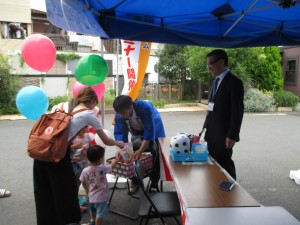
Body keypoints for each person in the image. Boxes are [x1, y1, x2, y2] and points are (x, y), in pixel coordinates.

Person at [33, 87, 124, 225]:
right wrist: (119, 144)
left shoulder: (65, 106)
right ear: (93, 100)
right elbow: (105, 140)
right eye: (96, 103)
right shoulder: (88, 114)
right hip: (57, 157)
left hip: (42, 152)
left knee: (45, 194)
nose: (96, 106)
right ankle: (69, 221)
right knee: (66, 193)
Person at [201, 49, 244, 180]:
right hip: (212, 133)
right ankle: (217, 191)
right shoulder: (215, 82)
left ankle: (232, 190)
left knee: (225, 163)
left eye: (211, 63)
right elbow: (211, 108)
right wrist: (204, 128)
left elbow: (237, 111)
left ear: (221, 62)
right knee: (214, 162)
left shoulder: (234, 82)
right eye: (207, 64)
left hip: (224, 135)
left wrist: (232, 135)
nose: (209, 67)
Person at [113, 95, 166, 193]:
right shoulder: (120, 114)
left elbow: (150, 130)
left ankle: (154, 181)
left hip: (154, 126)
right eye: (119, 113)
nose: (121, 115)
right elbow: (120, 133)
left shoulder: (144, 107)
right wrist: (121, 150)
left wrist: (141, 150)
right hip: (136, 129)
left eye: (123, 113)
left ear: (130, 107)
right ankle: (135, 181)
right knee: (130, 155)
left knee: (156, 153)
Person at [80, 145, 119, 225]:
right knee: (100, 214)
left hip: (91, 196)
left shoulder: (85, 171)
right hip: (102, 198)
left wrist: (87, 189)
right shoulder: (103, 168)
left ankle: (92, 221)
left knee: (93, 209)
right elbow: (112, 165)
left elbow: (83, 182)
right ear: (101, 159)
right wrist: (114, 160)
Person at [70, 126, 90, 213]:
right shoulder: (71, 138)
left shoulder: (88, 136)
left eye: (86, 128)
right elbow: (66, 150)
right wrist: (73, 148)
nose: (84, 130)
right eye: (82, 128)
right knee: (75, 183)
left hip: (85, 163)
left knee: (86, 181)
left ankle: (92, 199)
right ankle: (75, 205)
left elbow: (90, 147)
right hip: (74, 164)